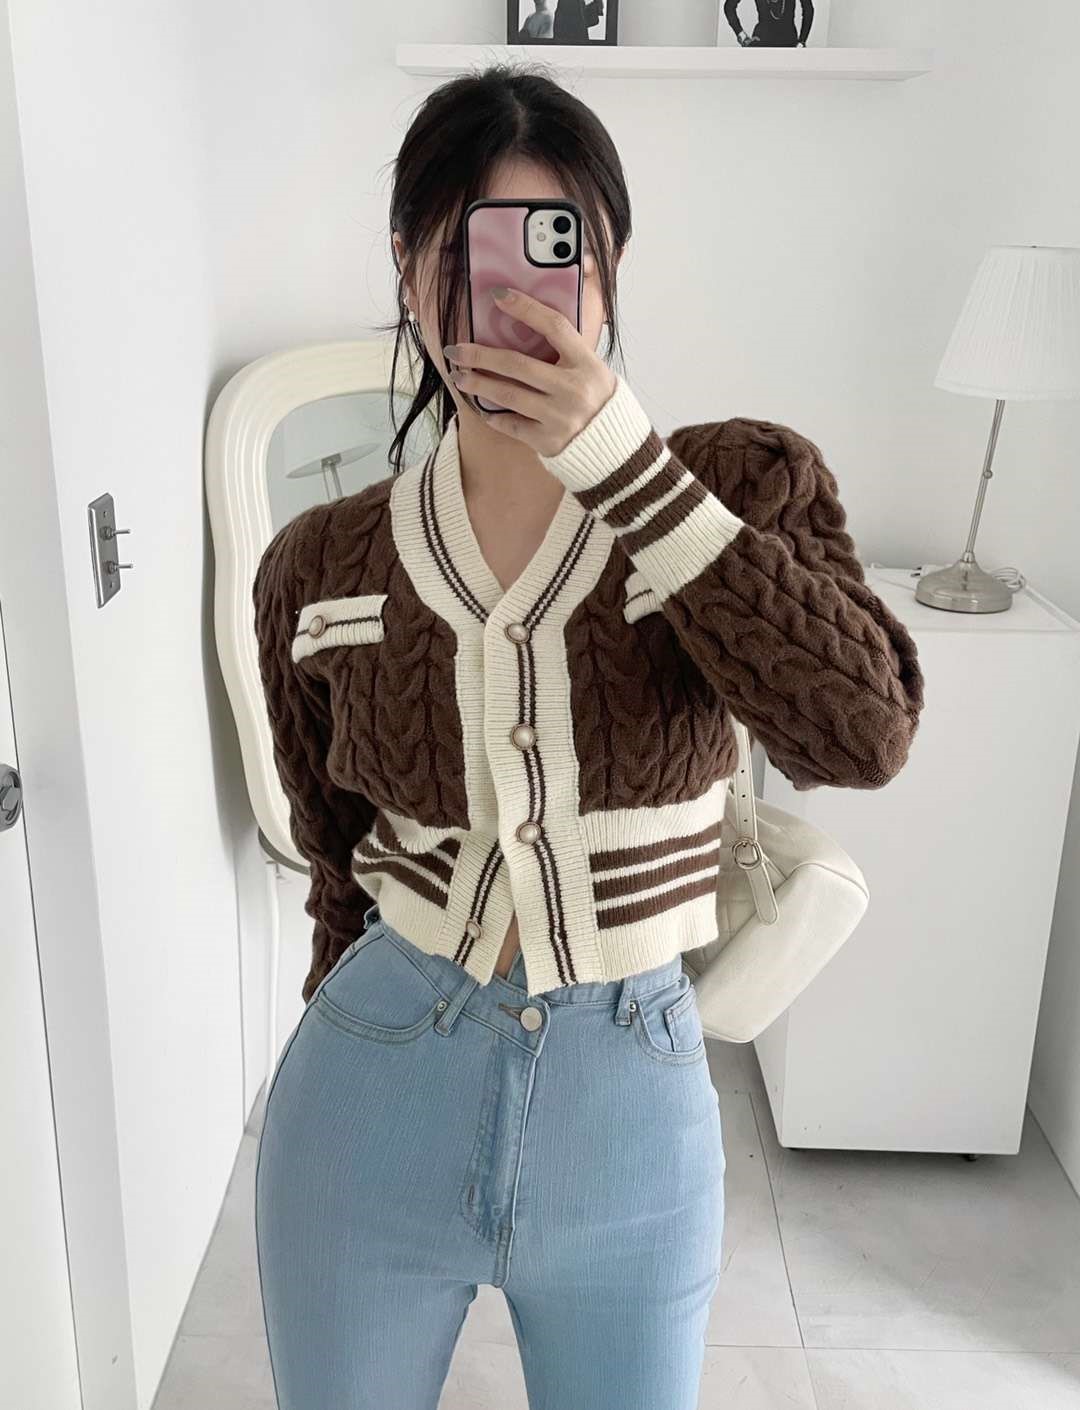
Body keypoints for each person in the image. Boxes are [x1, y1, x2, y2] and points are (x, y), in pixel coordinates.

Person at [252, 63, 924, 1410]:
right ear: (409, 271)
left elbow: (864, 731)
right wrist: (337, 994)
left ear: (607, 272)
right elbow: (334, 855)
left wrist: (625, 467)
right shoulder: (319, 563)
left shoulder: (740, 484)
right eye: (466, 251)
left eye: (558, 246)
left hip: (631, 1114)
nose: (513, 291)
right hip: (370, 1095)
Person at [723, 0, 814, 46]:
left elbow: (808, 9)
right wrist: (742, 37)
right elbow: (729, 7)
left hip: (787, 45)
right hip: (764, 45)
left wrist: (802, 40)